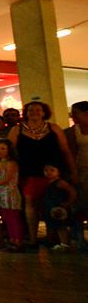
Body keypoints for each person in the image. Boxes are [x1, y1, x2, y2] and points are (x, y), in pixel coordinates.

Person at [8, 101, 77, 247]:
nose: (34, 112)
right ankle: (33, 238)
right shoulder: (17, 130)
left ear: (44, 112)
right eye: (31, 110)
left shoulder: (54, 128)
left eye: (38, 110)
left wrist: (73, 171)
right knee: (30, 203)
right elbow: (10, 152)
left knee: (52, 203)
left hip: (53, 172)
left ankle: (53, 236)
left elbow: (65, 150)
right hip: (29, 172)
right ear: (26, 113)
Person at [0, 138, 25, 252]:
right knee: (6, 218)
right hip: (0, 193)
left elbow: (8, 178)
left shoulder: (11, 163)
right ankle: (12, 239)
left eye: (3, 148)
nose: (0, 151)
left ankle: (18, 241)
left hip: (10, 192)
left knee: (14, 218)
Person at [63, 101, 88, 250]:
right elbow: (69, 153)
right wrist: (73, 173)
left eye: (76, 113)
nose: (73, 116)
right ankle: (78, 236)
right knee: (80, 203)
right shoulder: (72, 132)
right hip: (81, 171)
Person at [42, 163, 77, 252]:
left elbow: (72, 191)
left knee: (62, 227)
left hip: (59, 208)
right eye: (46, 170)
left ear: (59, 172)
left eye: (52, 170)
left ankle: (65, 244)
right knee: (55, 226)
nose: (48, 172)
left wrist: (68, 202)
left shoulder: (60, 182)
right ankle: (59, 242)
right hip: (51, 208)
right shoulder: (48, 183)